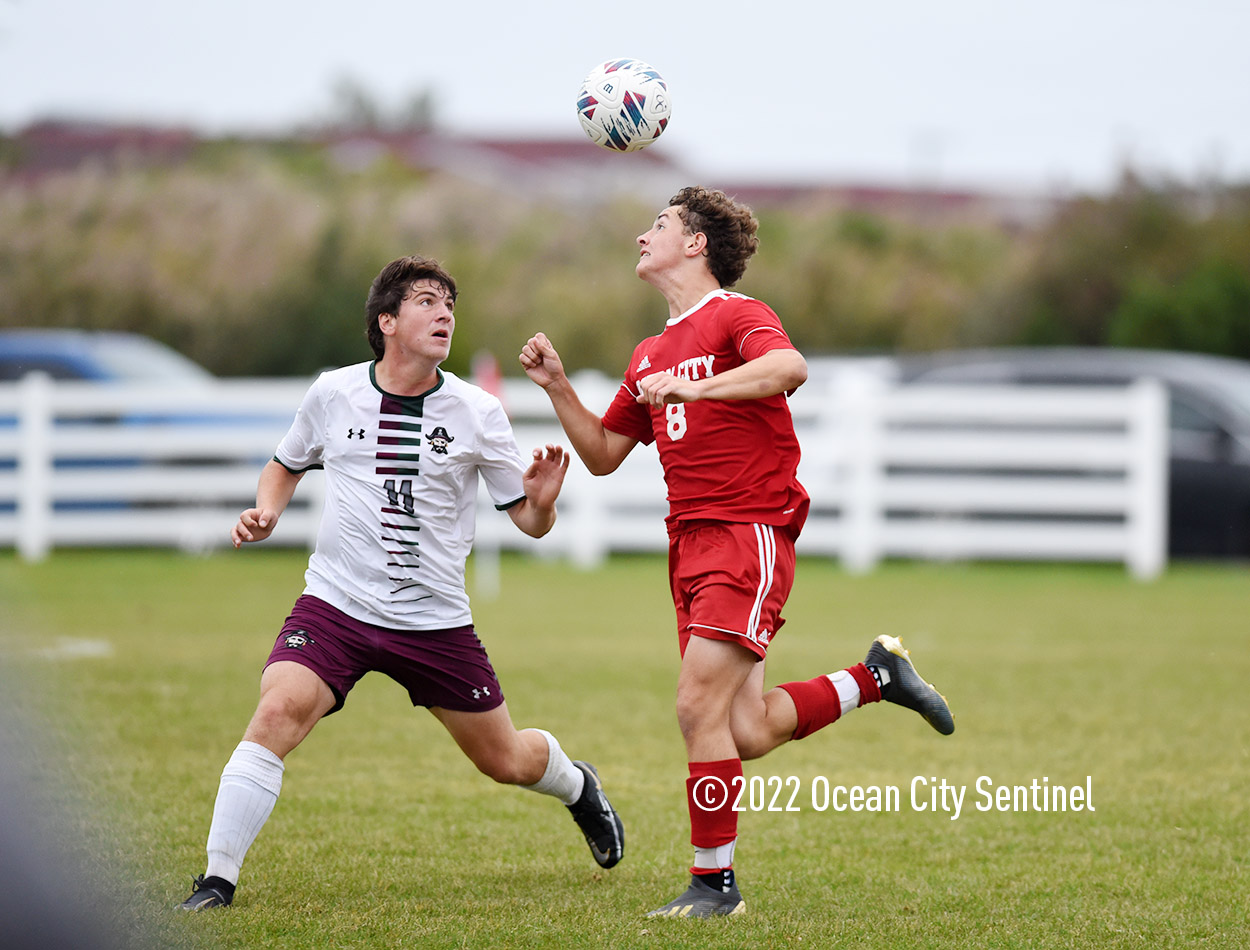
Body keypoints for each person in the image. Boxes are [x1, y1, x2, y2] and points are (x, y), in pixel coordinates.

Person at [520, 186, 953, 919]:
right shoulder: (650, 352)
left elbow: (788, 369)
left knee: (696, 705)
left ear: (695, 244)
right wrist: (559, 387)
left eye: (657, 225)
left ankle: (714, 885)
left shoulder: (736, 316)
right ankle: (876, 677)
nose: (640, 237)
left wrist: (696, 390)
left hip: (747, 530)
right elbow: (602, 454)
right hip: (688, 544)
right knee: (743, 730)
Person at [179, 255, 624, 911]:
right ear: (386, 321)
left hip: (434, 622)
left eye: (449, 302)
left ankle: (576, 786)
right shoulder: (333, 392)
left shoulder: (477, 411)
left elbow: (529, 524)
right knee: (275, 712)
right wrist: (266, 510)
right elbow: (285, 463)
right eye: (425, 300)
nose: (444, 311)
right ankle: (216, 881)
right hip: (336, 605)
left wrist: (543, 500)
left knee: (504, 761)